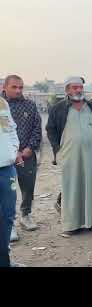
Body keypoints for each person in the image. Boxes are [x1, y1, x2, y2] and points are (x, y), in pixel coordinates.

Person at [46, 76, 92, 235]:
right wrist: (57, 150)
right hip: (70, 154)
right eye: (74, 87)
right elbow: (50, 129)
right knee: (71, 186)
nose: (78, 90)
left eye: (80, 87)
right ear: (67, 90)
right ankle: (72, 225)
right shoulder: (58, 108)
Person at [3, 75, 42, 242]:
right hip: (4, 157)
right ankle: (8, 224)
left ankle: (25, 215)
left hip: (27, 155)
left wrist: (28, 149)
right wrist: (13, 153)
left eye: (20, 87)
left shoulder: (30, 105)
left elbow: (37, 129)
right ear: (4, 88)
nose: (18, 90)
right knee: (6, 192)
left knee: (28, 186)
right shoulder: (1, 107)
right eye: (14, 87)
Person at [0, 95, 23, 266]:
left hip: (7, 169)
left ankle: (5, 261)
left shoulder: (2, 103)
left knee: (7, 216)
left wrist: (13, 150)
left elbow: (11, 129)